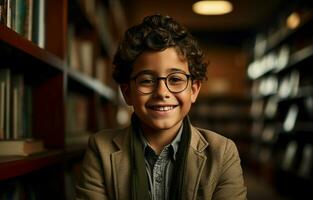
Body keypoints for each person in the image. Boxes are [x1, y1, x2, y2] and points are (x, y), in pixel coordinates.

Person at [75, 14, 247, 200]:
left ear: (194, 90)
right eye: (147, 80)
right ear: (127, 93)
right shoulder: (101, 149)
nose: (162, 92)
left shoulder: (222, 152)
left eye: (175, 79)